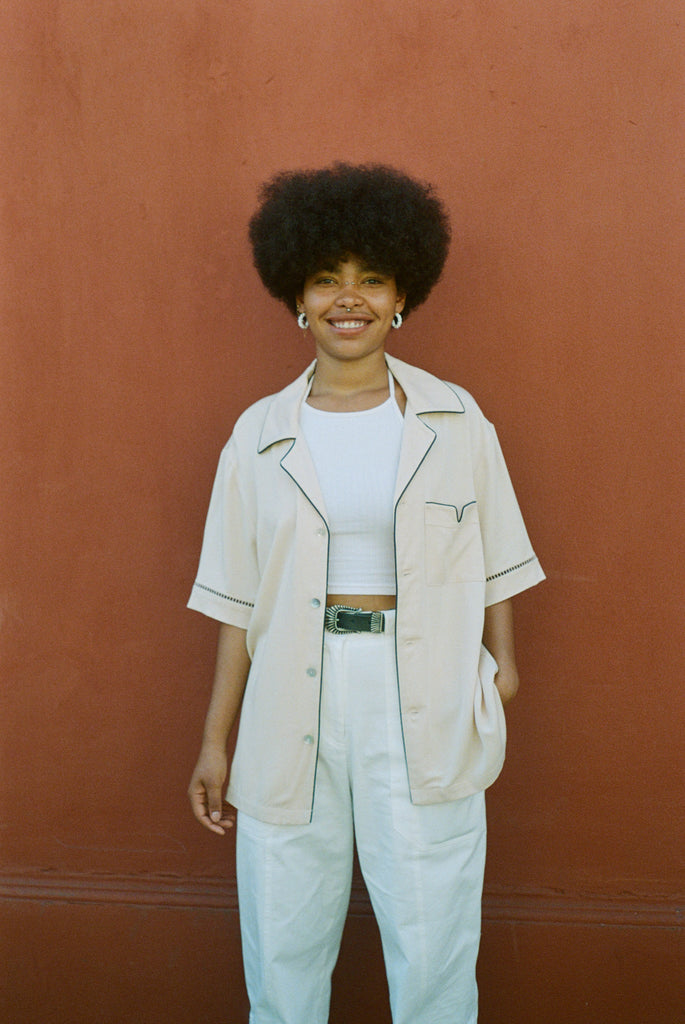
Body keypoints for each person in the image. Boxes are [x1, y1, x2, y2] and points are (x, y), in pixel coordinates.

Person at [187, 163, 544, 1024]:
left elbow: (495, 553)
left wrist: (503, 668)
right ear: (297, 301)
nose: (349, 298)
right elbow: (238, 603)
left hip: (419, 690)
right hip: (290, 694)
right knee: (283, 922)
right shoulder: (258, 433)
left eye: (371, 280)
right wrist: (213, 740)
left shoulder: (455, 418)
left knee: (432, 923)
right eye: (325, 280)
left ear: (401, 300)